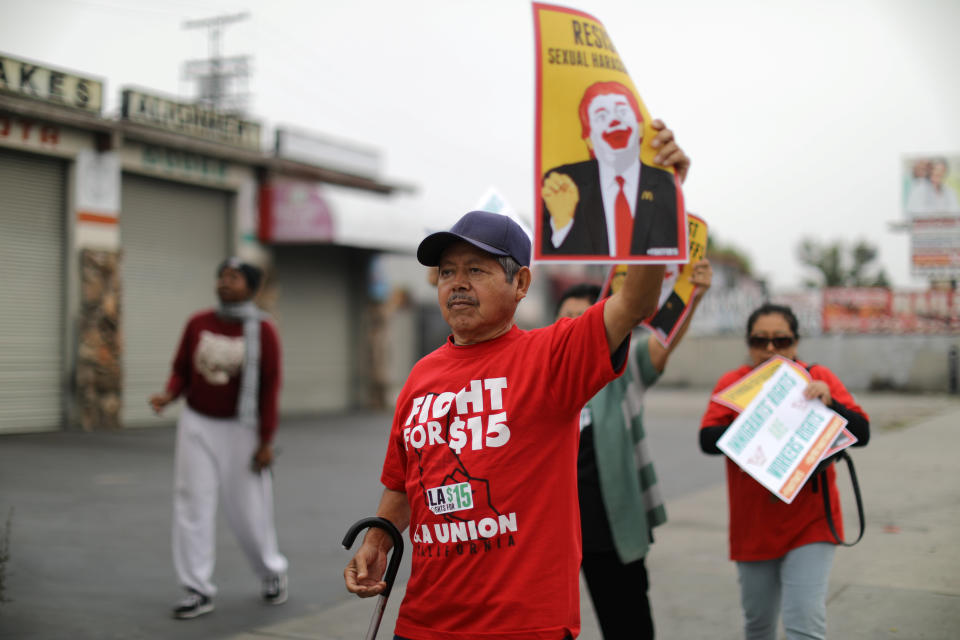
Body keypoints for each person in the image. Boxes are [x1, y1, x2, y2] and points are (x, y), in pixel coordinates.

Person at [343, 120, 689, 640]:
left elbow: (635, 300)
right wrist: (382, 537)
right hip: (424, 624)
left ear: (521, 282)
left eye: (476, 271)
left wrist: (658, 198)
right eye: (447, 272)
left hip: (526, 626)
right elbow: (402, 480)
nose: (457, 284)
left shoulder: (551, 357)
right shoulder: (421, 376)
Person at [556, 259, 712, 640]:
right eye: (566, 319)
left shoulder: (622, 369)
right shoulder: (548, 376)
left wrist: (693, 293)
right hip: (556, 535)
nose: (574, 327)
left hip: (611, 532)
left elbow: (660, 346)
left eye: (584, 318)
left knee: (628, 627)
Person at [699, 303, 870, 640]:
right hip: (754, 527)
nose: (770, 349)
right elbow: (706, 439)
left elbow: (861, 431)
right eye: (759, 341)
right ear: (748, 344)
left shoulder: (818, 379)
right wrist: (759, 418)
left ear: (796, 343)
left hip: (811, 523)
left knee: (805, 626)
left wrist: (830, 405)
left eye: (782, 340)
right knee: (758, 626)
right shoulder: (734, 385)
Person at [149, 257, 288, 619]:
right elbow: (181, 370)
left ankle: (271, 571)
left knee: (249, 511)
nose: (225, 283)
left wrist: (266, 440)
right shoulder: (198, 323)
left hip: (243, 430)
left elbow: (270, 389)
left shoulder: (265, 331)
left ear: (252, 287)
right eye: (222, 276)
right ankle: (196, 588)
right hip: (197, 424)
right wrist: (169, 394)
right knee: (192, 503)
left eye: (235, 278)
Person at [541, 81, 682, 258]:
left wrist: (674, 181)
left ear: (640, 127)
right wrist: (562, 225)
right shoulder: (562, 186)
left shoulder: (663, 184)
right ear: (588, 139)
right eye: (601, 116)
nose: (615, 121)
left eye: (622, 111)